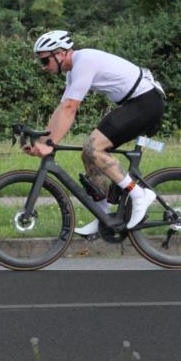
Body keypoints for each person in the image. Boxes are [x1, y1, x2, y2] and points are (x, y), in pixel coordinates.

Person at [24, 31, 165, 236]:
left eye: (45, 60)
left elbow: (70, 108)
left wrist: (49, 143)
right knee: (87, 153)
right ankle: (103, 216)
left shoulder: (84, 61)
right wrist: (45, 141)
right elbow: (62, 108)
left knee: (93, 147)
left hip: (145, 103)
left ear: (61, 53)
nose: (44, 67)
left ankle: (139, 194)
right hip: (135, 103)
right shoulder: (74, 71)